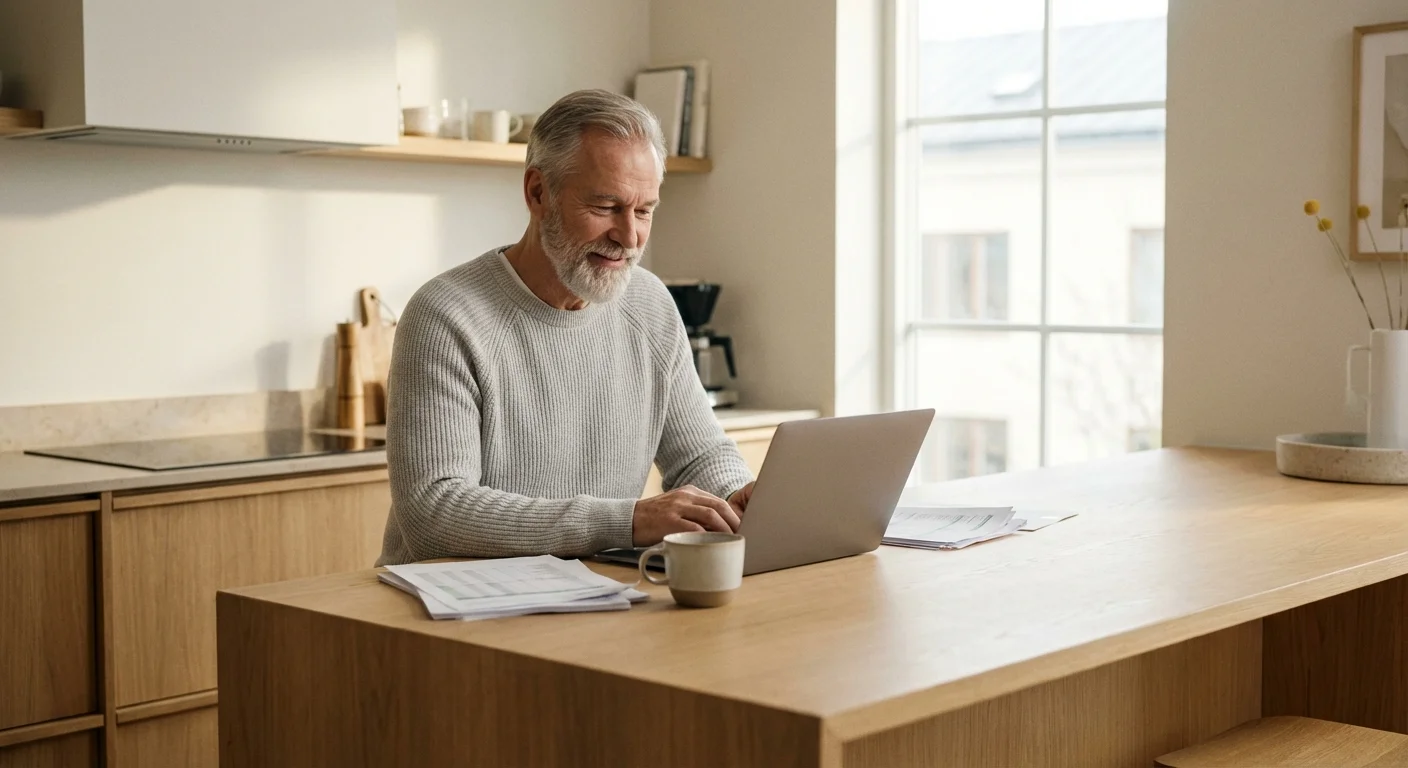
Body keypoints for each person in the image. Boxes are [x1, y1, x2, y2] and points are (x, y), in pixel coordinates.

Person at [377, 89, 755, 566]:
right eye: (604, 207)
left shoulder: (649, 302)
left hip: (593, 596)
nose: (630, 236)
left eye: (644, 211)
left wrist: (740, 497)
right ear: (538, 193)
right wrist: (627, 521)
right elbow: (435, 515)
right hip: (448, 611)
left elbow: (699, 455)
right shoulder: (446, 315)